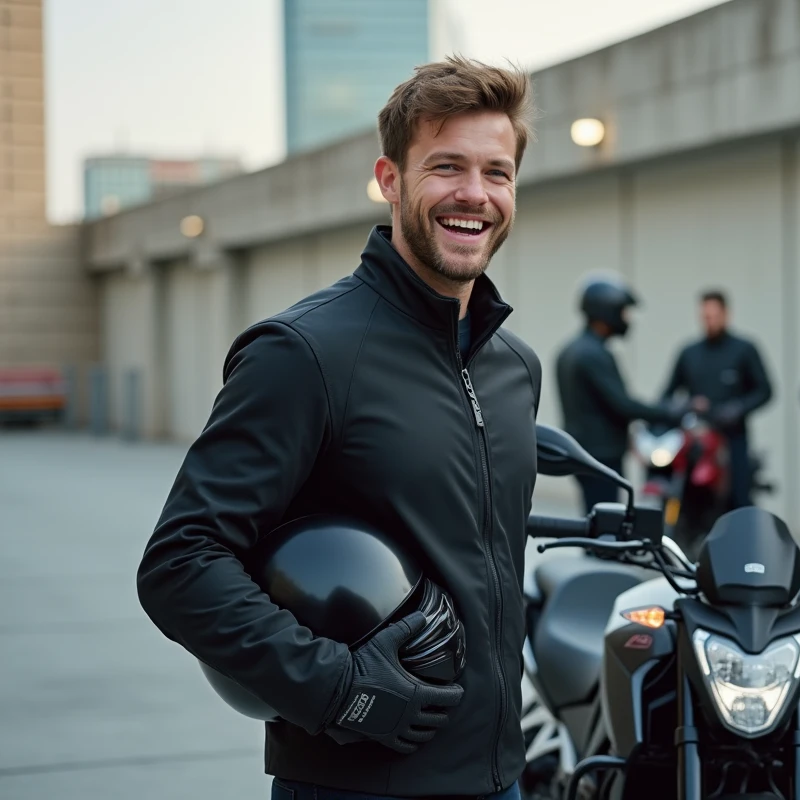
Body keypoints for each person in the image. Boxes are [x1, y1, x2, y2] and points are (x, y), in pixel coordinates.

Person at [136, 57, 541, 800]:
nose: (474, 195)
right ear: (390, 179)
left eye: (497, 172)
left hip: (500, 779)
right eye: (446, 167)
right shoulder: (305, 353)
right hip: (354, 787)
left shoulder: (514, 368)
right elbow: (180, 565)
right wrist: (338, 689)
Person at [555, 275, 684, 512]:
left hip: (583, 453)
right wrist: (670, 412)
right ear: (606, 312)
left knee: (594, 523)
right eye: (623, 312)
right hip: (601, 457)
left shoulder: (570, 350)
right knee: (606, 526)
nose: (627, 319)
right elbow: (622, 405)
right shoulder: (593, 354)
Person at [661, 289, 773, 509]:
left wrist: (739, 408)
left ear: (726, 314)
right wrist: (684, 406)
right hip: (696, 439)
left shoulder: (744, 349)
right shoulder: (689, 353)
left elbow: (765, 390)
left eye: (714, 316)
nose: (710, 322)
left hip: (733, 437)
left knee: (740, 498)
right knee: (676, 488)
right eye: (705, 317)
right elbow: (667, 393)